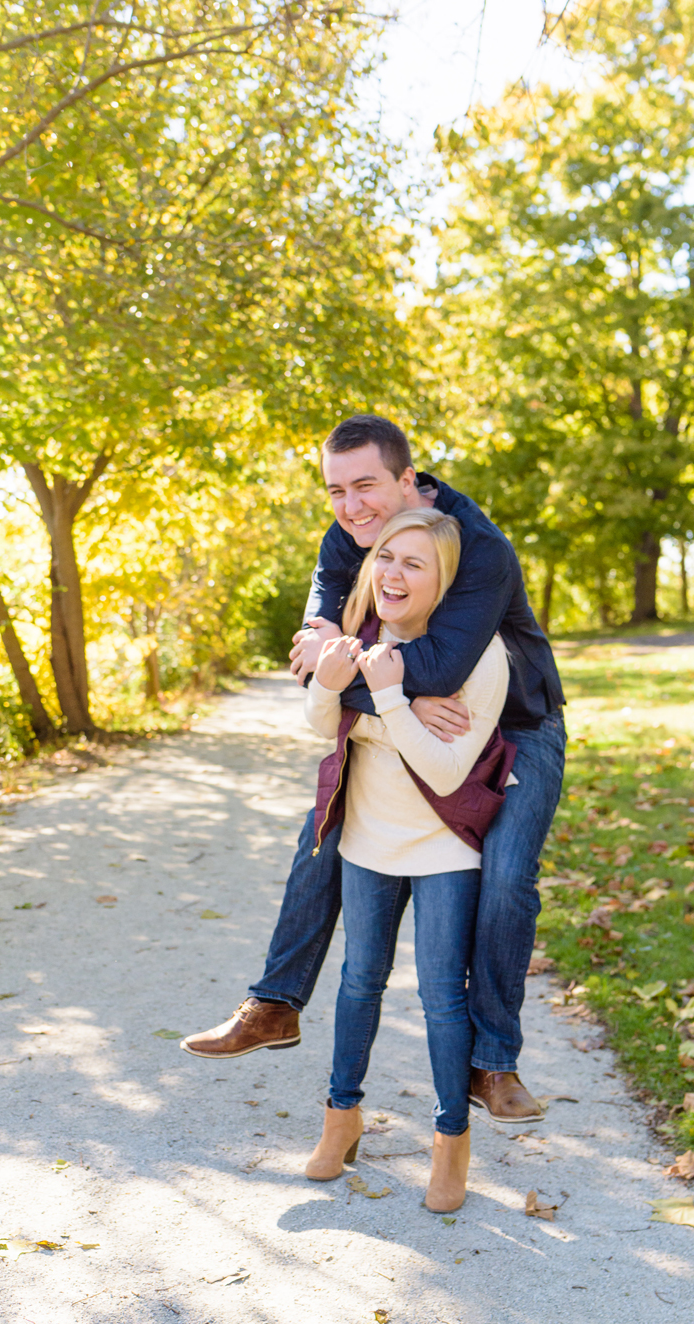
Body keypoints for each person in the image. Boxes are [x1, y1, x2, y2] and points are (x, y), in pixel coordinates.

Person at [180, 415, 566, 1125]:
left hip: (515, 724)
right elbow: (311, 665)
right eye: (336, 490)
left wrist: (346, 676)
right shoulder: (344, 540)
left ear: (409, 480)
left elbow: (442, 667)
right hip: (410, 719)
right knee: (326, 829)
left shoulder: (477, 549)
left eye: (367, 486)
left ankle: (493, 1061)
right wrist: (365, 686)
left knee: (509, 874)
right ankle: (274, 1004)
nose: (352, 507)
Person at [300, 508, 512, 1212]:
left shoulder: (481, 657)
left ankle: (451, 1142)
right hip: (366, 839)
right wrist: (338, 690)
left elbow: (450, 773)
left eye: (413, 563)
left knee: (442, 997)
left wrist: (384, 701)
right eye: (386, 556)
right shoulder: (361, 636)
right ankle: (341, 1119)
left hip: (444, 847)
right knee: (360, 980)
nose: (392, 572)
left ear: (444, 580)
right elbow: (320, 725)